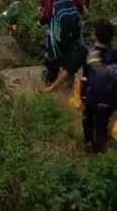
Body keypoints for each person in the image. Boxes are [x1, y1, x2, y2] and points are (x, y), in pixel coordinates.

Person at [45, 20, 116, 153]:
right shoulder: (115, 54)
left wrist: (52, 87)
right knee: (102, 124)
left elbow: (68, 71)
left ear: (95, 35)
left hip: (90, 96)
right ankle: (99, 150)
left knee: (88, 120)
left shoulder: (86, 51)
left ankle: (89, 146)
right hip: (110, 99)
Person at [39, 0, 87, 85]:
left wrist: (40, 23)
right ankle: (69, 77)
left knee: (53, 52)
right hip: (74, 30)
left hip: (58, 32)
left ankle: (51, 77)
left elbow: (47, 15)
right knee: (70, 50)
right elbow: (82, 9)